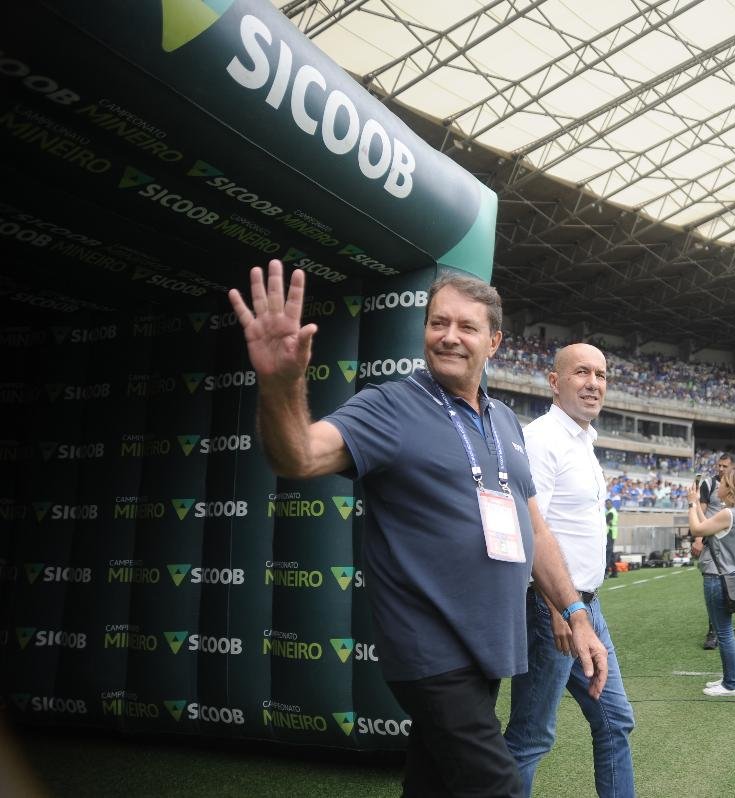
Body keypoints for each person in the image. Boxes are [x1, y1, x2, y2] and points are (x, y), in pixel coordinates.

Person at [227, 261, 607, 797]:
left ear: (493, 342)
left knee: (431, 784)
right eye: (437, 323)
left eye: (466, 327)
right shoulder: (391, 406)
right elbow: (298, 456)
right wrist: (281, 385)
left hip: (488, 649)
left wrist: (575, 612)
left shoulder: (502, 421)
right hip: (430, 651)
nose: (449, 336)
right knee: (494, 784)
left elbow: (534, 529)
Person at [505, 344, 635, 797]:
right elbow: (528, 530)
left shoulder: (585, 440)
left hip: (586, 609)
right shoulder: (541, 439)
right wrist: (557, 607)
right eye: (582, 372)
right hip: (552, 611)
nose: (594, 383)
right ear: (554, 381)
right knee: (530, 736)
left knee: (616, 720)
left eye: (601, 374)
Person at [686, 469, 735, 696]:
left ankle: (732, 684)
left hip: (718, 577)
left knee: (724, 632)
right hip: (728, 576)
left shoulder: (729, 514)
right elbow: (707, 525)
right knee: (725, 631)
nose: (718, 486)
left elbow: (697, 529)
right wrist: (697, 505)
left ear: (731, 489)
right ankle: (729, 679)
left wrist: (692, 504)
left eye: (723, 483)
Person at [693, 453, 734, 650]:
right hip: (712, 543)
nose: (721, 469)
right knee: (713, 586)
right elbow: (702, 513)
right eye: (719, 465)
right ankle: (713, 630)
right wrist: (699, 539)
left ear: (732, 467)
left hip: (731, 544)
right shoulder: (708, 485)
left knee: (730, 586)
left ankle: (724, 627)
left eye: (725, 466)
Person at [605, 499, 620, 578]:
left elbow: (607, 522)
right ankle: (614, 571)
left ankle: (606, 572)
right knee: (610, 554)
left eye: (607, 504)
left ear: (610, 504)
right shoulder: (613, 511)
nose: (606, 506)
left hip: (609, 533)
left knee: (607, 553)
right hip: (612, 533)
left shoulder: (610, 512)